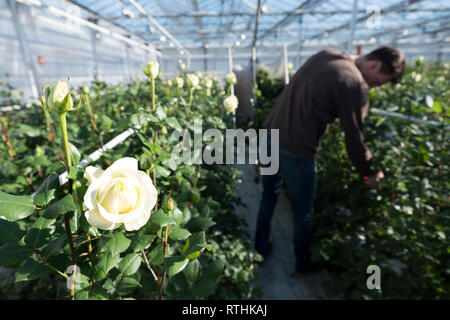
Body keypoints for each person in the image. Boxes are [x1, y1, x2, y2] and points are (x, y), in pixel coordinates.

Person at [254, 46, 405, 277]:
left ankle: (260, 251)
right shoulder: (354, 82)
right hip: (297, 150)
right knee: (303, 211)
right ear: (374, 65)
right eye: (380, 82)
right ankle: (302, 264)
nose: (376, 87)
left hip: (269, 136)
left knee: (268, 197)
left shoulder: (327, 54)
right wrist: (370, 173)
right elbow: (354, 140)